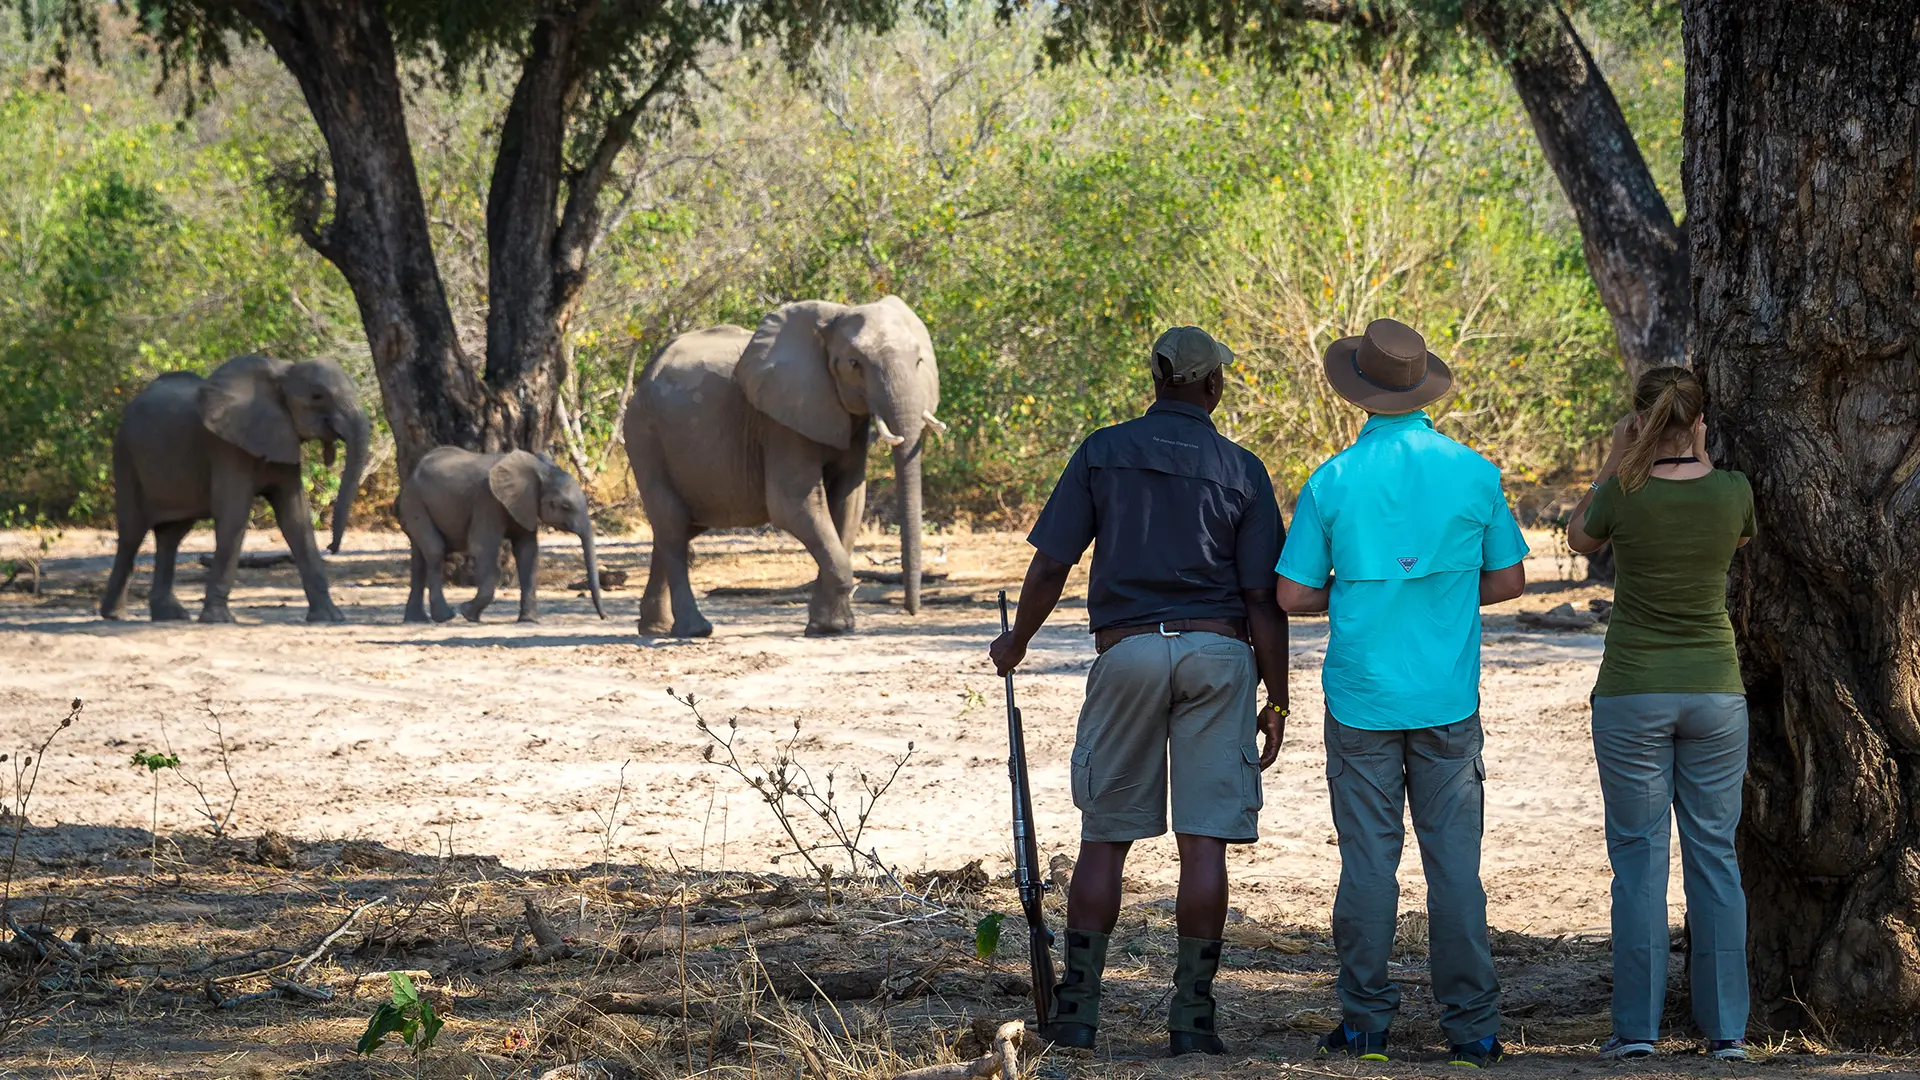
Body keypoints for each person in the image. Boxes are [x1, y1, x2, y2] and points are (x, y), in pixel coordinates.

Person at [988, 326, 1291, 1056]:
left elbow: (1051, 565)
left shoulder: (1103, 450)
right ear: (1214, 386)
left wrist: (1017, 640)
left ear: (1155, 378)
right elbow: (1261, 598)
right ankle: (1193, 1021)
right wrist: (1277, 698)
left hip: (1127, 651)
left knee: (1106, 837)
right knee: (1203, 842)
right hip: (1220, 653)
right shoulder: (1243, 469)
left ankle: (1079, 1014)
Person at [1276, 318, 1526, 1069]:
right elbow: (1511, 580)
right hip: (1448, 699)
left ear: (1359, 393)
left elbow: (1291, 595)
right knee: (1455, 870)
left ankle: (1365, 1024)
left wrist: (1350, 594)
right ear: (1423, 388)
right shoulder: (1475, 473)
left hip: (1361, 701)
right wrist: (1444, 589)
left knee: (1368, 866)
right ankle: (1473, 1031)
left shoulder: (1333, 480)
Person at [1566, 366, 1754, 1063]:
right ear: (1700, 421)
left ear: (1640, 422)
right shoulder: (1734, 492)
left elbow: (1579, 537)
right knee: (1715, 859)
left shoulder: (1623, 496)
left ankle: (1637, 1031)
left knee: (1640, 861)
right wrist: (1696, 453)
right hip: (1715, 693)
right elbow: (1730, 538)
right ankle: (1727, 1031)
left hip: (1632, 693)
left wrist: (1621, 455)